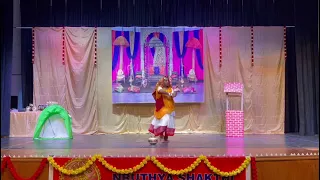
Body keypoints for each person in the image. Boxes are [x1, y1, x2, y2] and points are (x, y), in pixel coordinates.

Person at [148, 76, 177, 142]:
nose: (167, 82)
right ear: (162, 82)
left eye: (167, 81)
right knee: (164, 121)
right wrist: (168, 93)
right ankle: (160, 134)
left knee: (169, 123)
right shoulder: (159, 87)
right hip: (162, 109)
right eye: (165, 80)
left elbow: (174, 94)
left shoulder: (170, 88)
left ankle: (166, 137)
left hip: (170, 108)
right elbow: (160, 91)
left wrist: (174, 92)